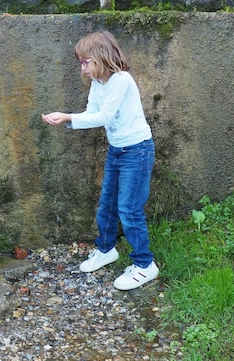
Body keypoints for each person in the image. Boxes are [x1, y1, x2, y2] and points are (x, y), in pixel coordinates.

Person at [41, 30, 158, 290]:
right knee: (107, 204)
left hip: (137, 151)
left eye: (86, 62)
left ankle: (144, 264)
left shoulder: (121, 80)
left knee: (129, 209)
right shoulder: (99, 83)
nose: (83, 68)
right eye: (81, 63)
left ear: (102, 57)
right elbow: (92, 113)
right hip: (117, 151)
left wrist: (68, 117)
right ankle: (106, 250)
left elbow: (104, 117)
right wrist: (67, 120)